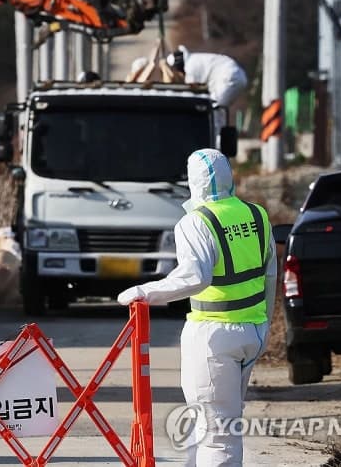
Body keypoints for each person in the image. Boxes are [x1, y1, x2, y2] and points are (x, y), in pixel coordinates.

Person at [117, 148, 275, 466]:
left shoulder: (195, 222)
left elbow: (194, 278)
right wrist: (265, 324)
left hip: (213, 336)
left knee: (216, 433)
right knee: (224, 423)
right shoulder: (256, 215)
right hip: (252, 331)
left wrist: (143, 292)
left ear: (193, 182)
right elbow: (271, 271)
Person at [166, 45, 248, 107]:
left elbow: (191, 89)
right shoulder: (194, 58)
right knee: (216, 106)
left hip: (228, 79)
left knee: (210, 107)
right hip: (239, 74)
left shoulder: (190, 67)